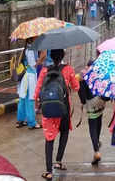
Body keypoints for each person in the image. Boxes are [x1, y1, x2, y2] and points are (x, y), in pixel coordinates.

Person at [34, 49, 80, 180]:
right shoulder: (68, 69)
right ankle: (58, 161)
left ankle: (48, 171)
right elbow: (76, 87)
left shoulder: (44, 70)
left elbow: (38, 88)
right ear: (62, 57)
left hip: (48, 108)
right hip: (63, 107)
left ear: (51, 57)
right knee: (64, 133)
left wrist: (36, 102)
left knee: (49, 138)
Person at [78, 60, 108, 165]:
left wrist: (82, 102)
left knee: (92, 126)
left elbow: (81, 94)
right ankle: (97, 142)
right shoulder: (99, 73)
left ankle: (96, 151)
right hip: (100, 100)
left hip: (91, 103)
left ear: (87, 66)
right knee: (99, 121)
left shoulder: (83, 75)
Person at [16, 37, 41, 129]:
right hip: (31, 77)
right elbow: (33, 64)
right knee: (31, 99)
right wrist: (39, 61)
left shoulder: (26, 49)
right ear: (32, 39)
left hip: (25, 77)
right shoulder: (32, 49)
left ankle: (20, 120)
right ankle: (32, 123)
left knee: (23, 98)